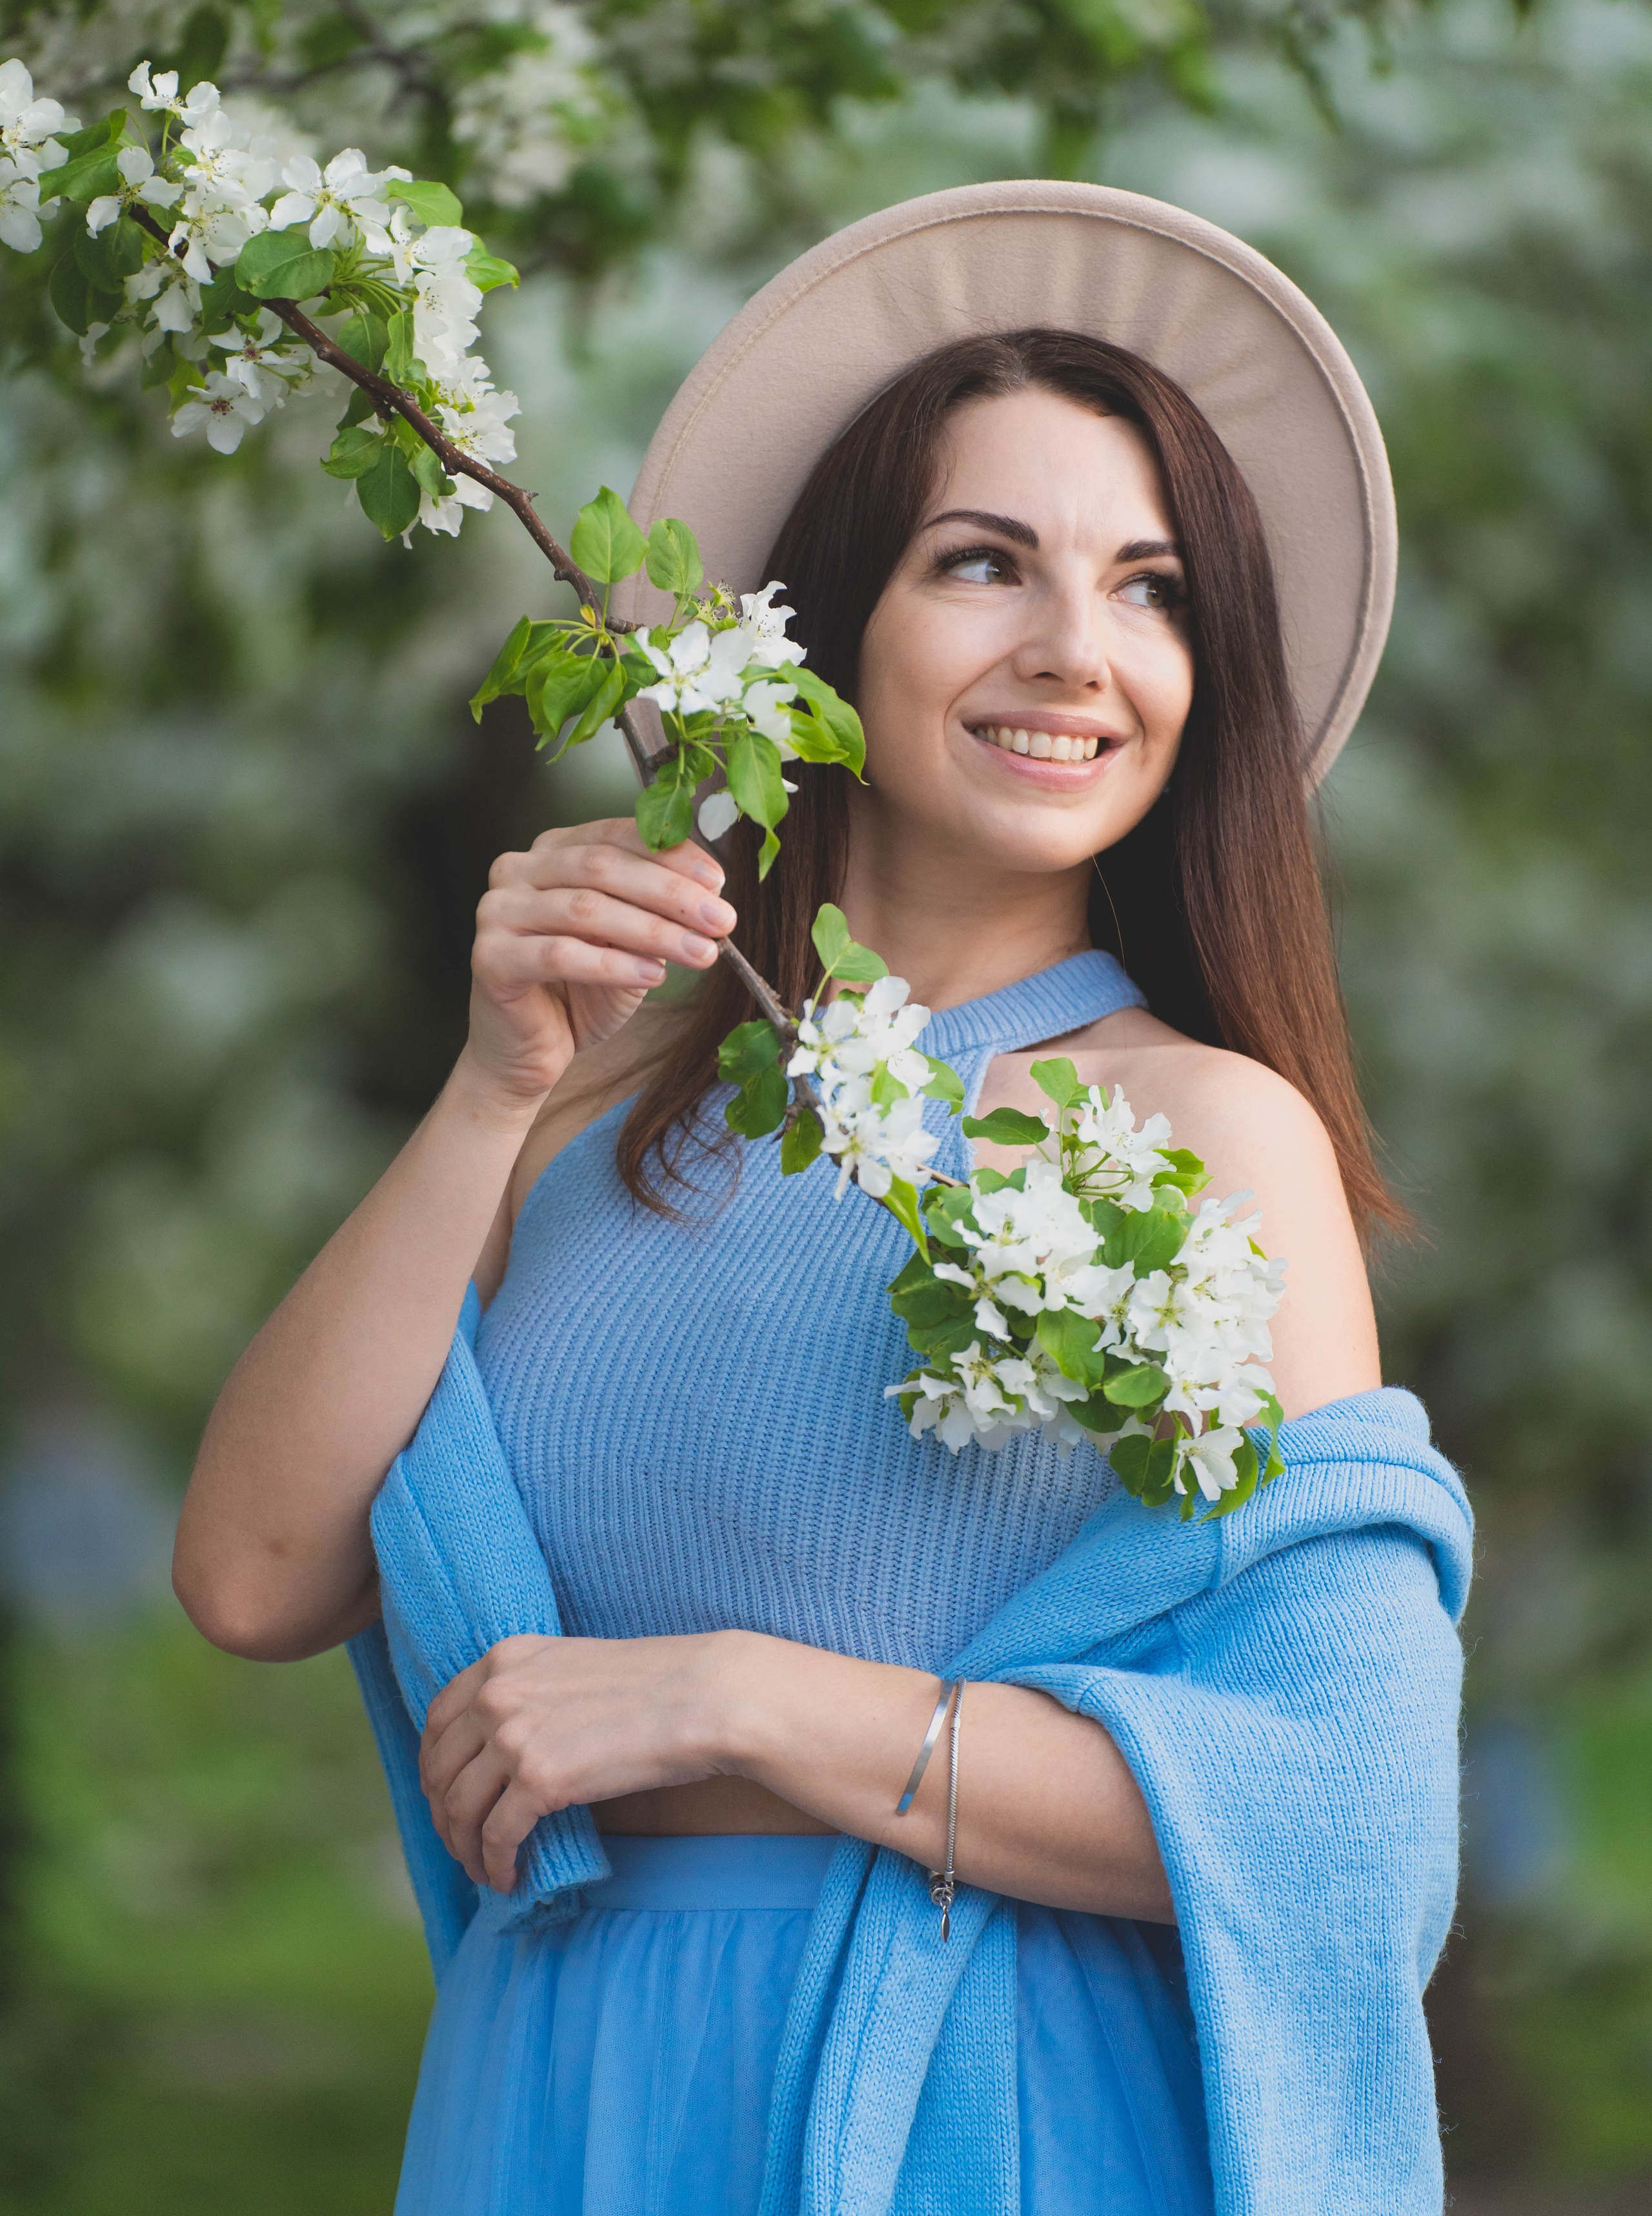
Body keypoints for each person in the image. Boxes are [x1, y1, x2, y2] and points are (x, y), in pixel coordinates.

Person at [173, 185, 1471, 2216]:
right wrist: (488, 1092)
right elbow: (253, 1574)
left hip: (982, 2110)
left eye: (1151, 591)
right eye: (984, 565)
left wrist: (737, 1695)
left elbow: (1344, 1820)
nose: (1075, 652)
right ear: (830, 620)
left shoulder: (1210, 1137)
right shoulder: (597, 1095)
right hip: (568, 2091)